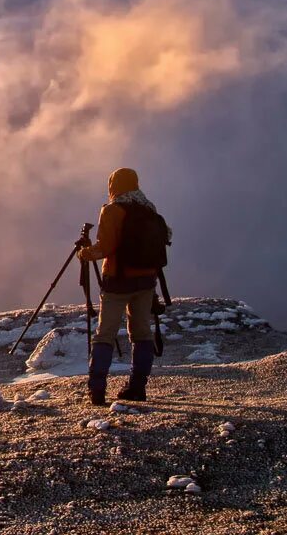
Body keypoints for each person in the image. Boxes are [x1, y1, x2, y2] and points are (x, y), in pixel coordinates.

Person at [77, 167, 170, 406]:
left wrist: (85, 253)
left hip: (117, 281)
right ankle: (137, 387)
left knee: (104, 335)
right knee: (141, 333)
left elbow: (105, 248)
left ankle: (97, 390)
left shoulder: (111, 210)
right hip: (147, 281)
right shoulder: (148, 207)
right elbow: (166, 234)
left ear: (113, 185)